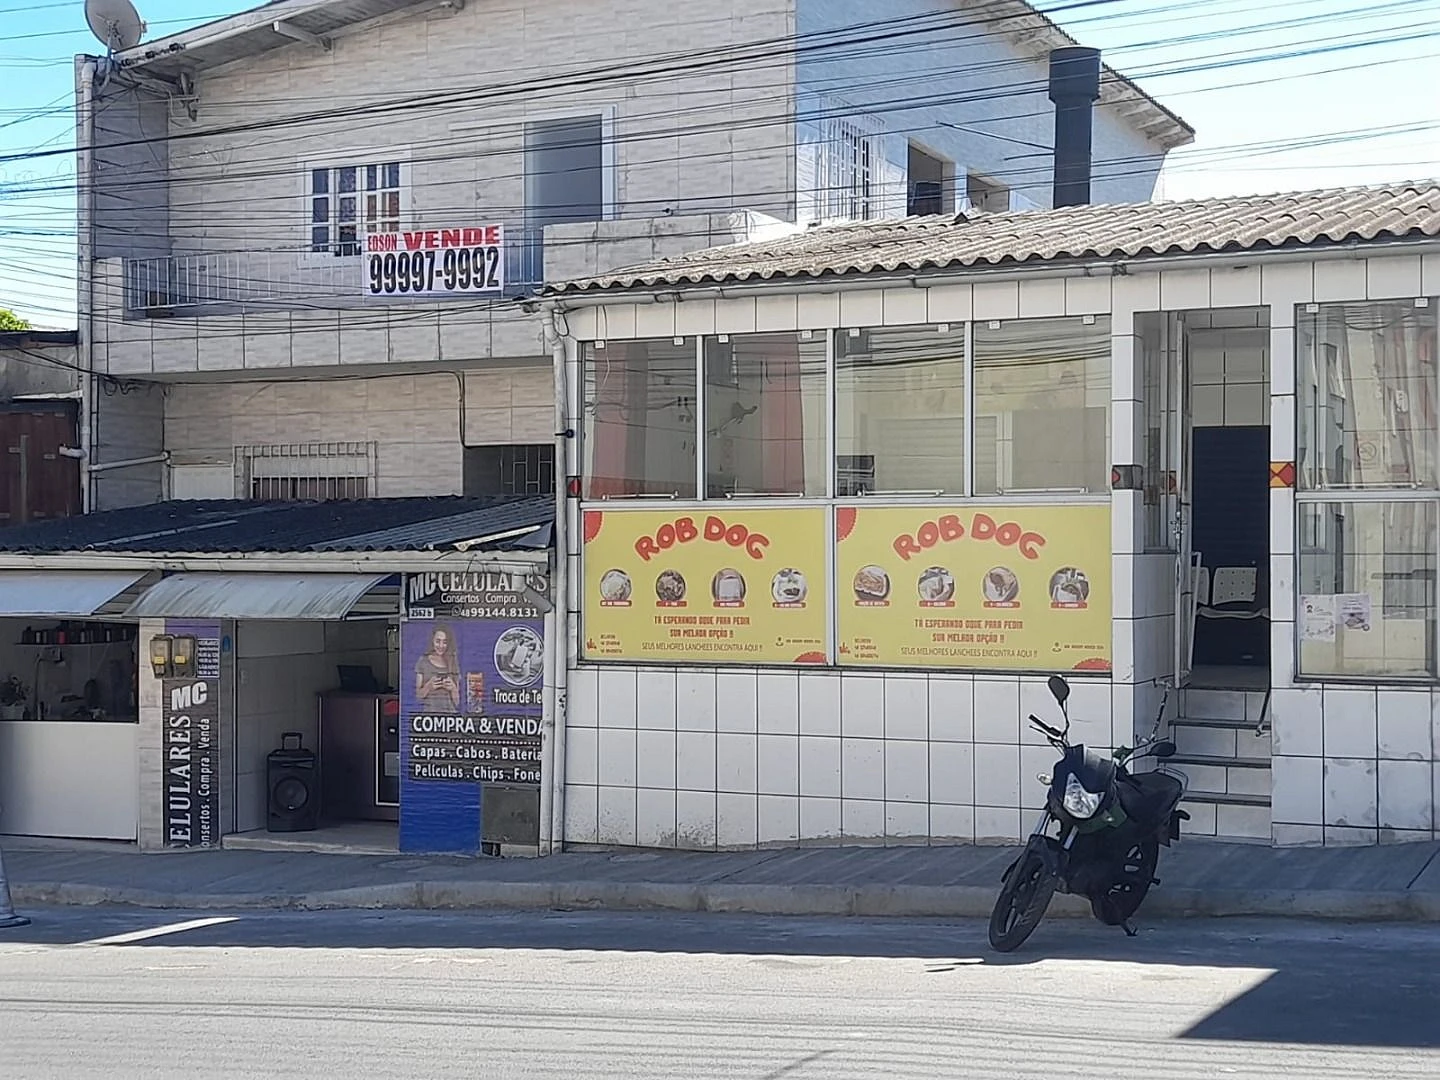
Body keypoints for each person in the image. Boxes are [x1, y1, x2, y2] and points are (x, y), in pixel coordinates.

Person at [414, 624, 460, 713]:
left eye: (445, 642)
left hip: (450, 716)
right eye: (438, 641)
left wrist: (453, 688)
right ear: (432, 641)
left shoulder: (453, 661)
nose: (441, 645)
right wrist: (429, 686)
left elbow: (458, 702)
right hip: (430, 716)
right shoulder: (423, 661)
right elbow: (418, 696)